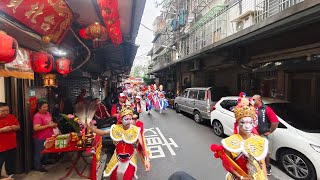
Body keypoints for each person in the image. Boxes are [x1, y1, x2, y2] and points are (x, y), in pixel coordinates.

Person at [211, 93, 268, 180]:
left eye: (250, 122)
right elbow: (227, 164)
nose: (247, 126)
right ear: (237, 123)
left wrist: (265, 178)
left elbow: (262, 162)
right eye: (243, 122)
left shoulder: (260, 141)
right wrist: (240, 177)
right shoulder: (229, 142)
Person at [88, 108, 151, 180]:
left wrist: (147, 160)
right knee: (114, 177)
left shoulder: (136, 130)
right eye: (126, 119)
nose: (129, 122)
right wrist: (90, 126)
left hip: (130, 159)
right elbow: (102, 133)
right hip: (116, 158)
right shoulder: (115, 128)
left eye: (130, 119)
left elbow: (143, 145)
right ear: (121, 120)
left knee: (127, 177)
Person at [252, 94, 279, 176]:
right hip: (252, 134)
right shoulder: (252, 108)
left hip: (261, 135)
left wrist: (270, 131)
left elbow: (275, 122)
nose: (252, 101)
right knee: (253, 150)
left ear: (259, 100)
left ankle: (267, 166)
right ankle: (255, 165)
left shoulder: (266, 109)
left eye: (254, 99)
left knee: (265, 152)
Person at [33, 101, 57, 172]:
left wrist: (53, 125)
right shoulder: (37, 116)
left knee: (47, 151)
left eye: (47, 106)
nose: (46, 108)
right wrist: (49, 126)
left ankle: (45, 161)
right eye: (44, 107)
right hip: (41, 137)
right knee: (39, 153)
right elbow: (36, 128)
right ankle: (37, 166)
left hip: (49, 136)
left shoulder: (48, 113)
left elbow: (50, 122)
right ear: (39, 108)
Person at [0, 102, 20, 178]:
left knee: (11, 166)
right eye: (3, 111)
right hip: (1, 148)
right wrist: (2, 130)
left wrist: (15, 127)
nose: (6, 112)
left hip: (11, 146)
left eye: (7, 110)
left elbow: (18, 126)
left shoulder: (11, 116)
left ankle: (10, 177)